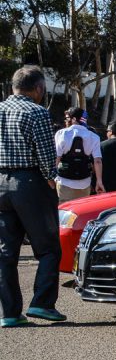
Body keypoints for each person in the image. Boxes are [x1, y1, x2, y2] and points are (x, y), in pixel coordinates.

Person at [0, 65, 66, 325]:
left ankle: (10, 313)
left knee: (5, 253)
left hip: (1, 182)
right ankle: (42, 303)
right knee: (48, 247)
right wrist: (51, 178)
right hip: (29, 183)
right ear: (38, 88)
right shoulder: (37, 112)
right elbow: (46, 155)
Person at [54, 106, 104, 202]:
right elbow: (97, 161)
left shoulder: (61, 134)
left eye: (67, 118)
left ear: (73, 119)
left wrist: (50, 178)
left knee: (63, 212)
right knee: (81, 211)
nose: (66, 120)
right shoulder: (94, 137)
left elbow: (56, 158)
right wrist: (99, 181)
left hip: (64, 182)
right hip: (84, 182)